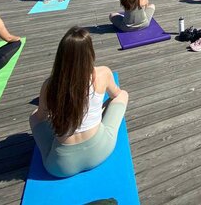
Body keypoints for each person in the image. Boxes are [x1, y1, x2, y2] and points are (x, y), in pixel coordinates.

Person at [29, 27, 128, 178]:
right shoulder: (103, 73)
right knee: (123, 95)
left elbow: (41, 116)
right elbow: (116, 95)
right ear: (90, 53)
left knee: (34, 116)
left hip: (60, 166)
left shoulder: (50, 85)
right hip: (99, 151)